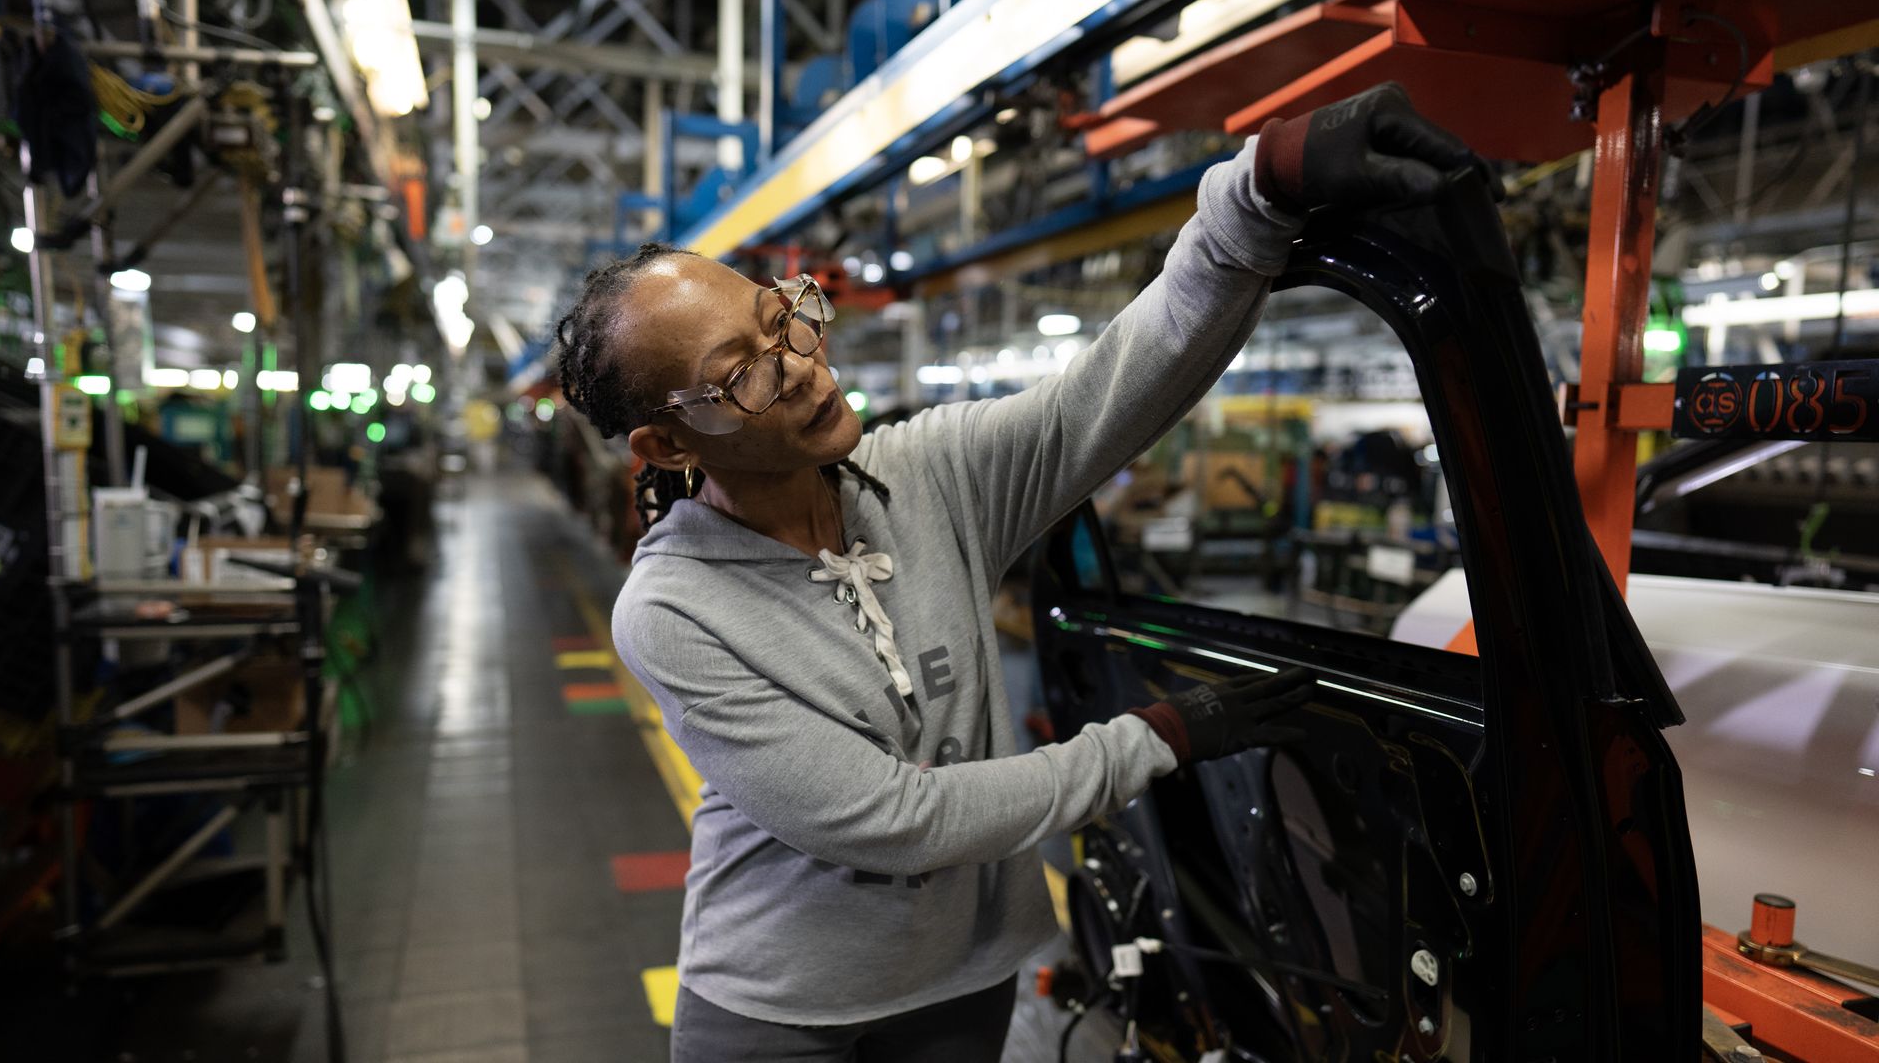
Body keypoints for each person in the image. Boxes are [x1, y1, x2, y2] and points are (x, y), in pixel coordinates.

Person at [553, 82, 1490, 1062]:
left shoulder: (928, 476)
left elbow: (1115, 386)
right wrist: (1158, 737)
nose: (801, 364)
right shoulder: (672, 610)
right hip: (783, 1010)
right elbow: (894, 819)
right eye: (740, 372)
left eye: (783, 318)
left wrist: (1258, 188)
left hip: (963, 982)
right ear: (665, 445)